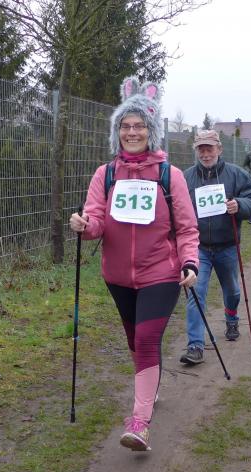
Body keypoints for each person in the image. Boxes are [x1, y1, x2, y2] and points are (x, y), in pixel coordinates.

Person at [69, 77, 199, 452]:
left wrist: (190, 262)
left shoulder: (169, 176)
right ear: (118, 132)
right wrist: (84, 225)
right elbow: (97, 221)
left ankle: (140, 423)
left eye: (139, 125)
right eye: (125, 126)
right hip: (118, 277)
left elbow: (187, 227)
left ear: (151, 130)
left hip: (161, 273)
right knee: (134, 340)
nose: (132, 132)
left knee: (145, 339)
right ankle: (150, 382)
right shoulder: (105, 174)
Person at [178, 130, 251, 365]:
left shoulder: (236, 174)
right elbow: (174, 206)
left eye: (209, 149)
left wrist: (239, 205)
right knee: (196, 293)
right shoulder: (185, 178)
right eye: (201, 149)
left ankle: (231, 317)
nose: (205, 154)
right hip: (198, 248)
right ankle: (195, 346)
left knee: (232, 291)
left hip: (227, 246)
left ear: (219, 149)